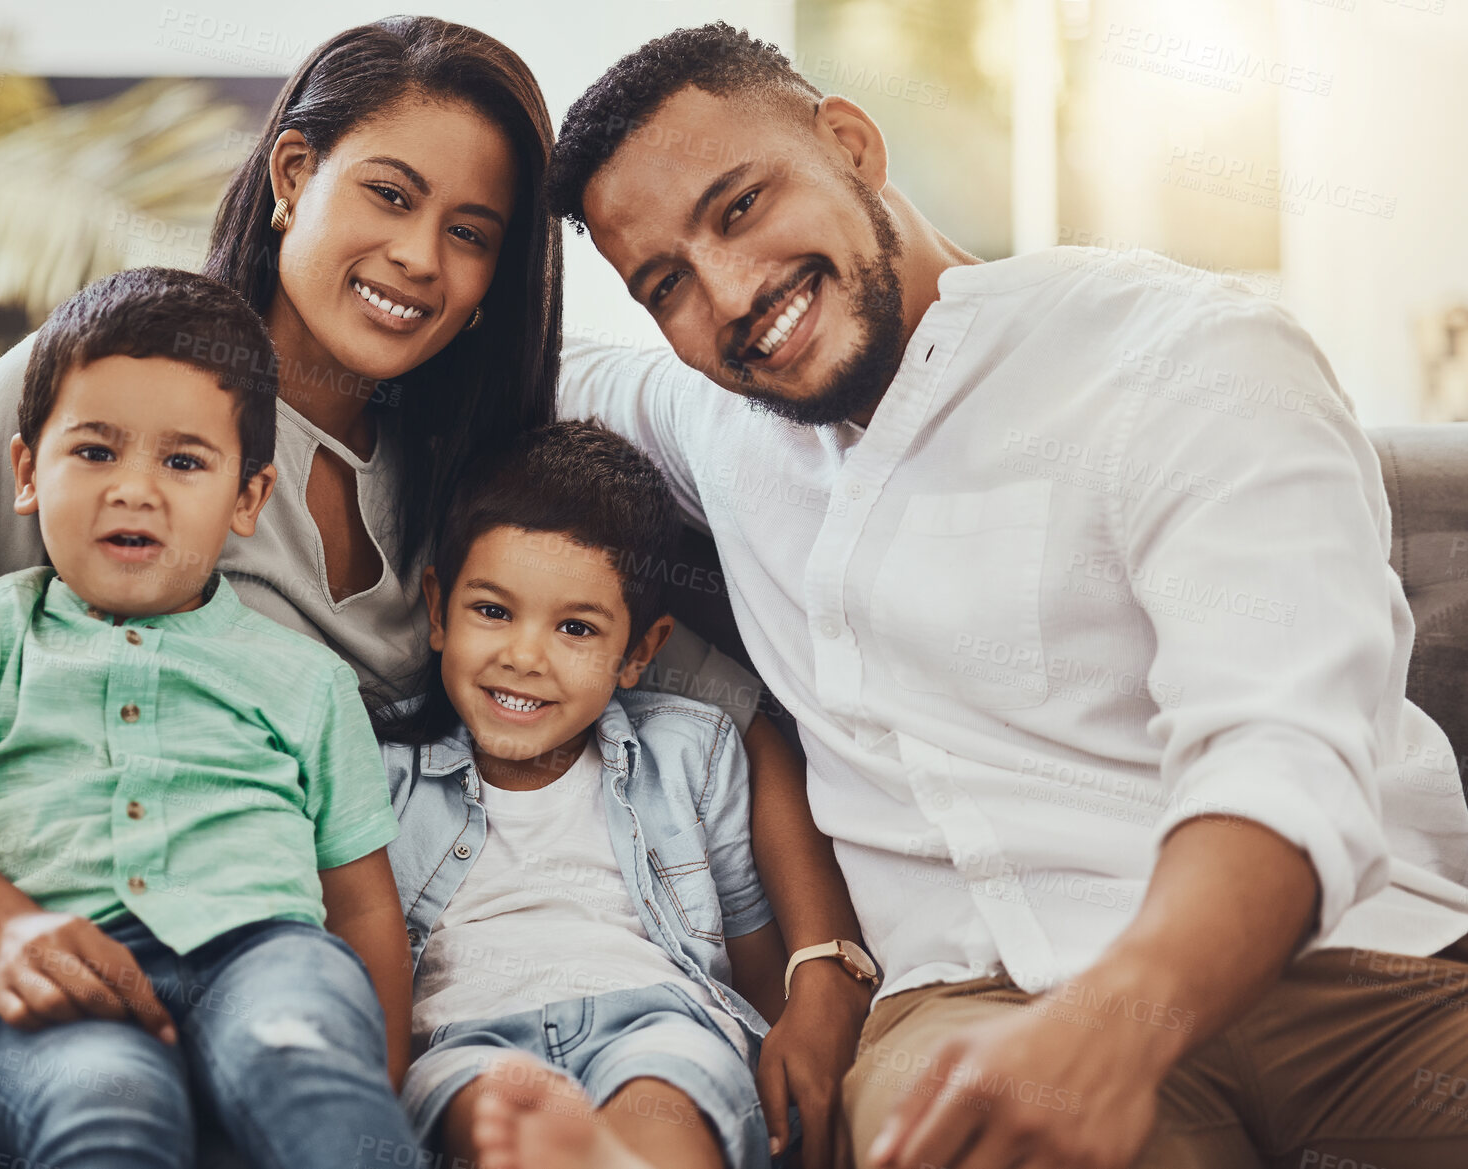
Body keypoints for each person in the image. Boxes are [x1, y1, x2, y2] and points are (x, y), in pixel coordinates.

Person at [0, 18, 865, 1169]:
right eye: (388, 194)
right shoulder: (89, 407)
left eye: (470, 233)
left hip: (249, 957)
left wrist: (820, 971)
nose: (418, 258)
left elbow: (728, 712)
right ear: (294, 175)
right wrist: (4, 928)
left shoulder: (468, 477)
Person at [534, 21, 1468, 1169]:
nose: (727, 294)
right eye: (664, 283)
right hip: (965, 1010)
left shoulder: (1185, 353)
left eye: (739, 206)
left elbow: (1282, 748)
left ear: (852, 142)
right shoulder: (714, 426)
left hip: (1359, 983)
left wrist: (1119, 1021)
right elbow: (512, 359)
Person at [0, 267, 418, 1169]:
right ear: (29, 472)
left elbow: (364, 904)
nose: (134, 489)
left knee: (301, 1063)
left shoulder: (306, 678)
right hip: (67, 976)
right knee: (103, 1116)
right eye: (96, 451)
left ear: (246, 500)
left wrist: (380, 1085)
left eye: (183, 461)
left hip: (266, 954)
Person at [378, 420, 844, 1169]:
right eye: (492, 611)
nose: (523, 656)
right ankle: (555, 1150)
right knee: (470, 1098)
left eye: (575, 628)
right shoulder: (384, 773)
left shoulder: (691, 754)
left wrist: (785, 1048)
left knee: (674, 1082)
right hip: (465, 1032)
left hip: (657, 1013)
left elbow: (754, 958)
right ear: (437, 610)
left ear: (639, 652)